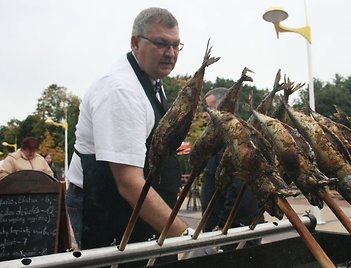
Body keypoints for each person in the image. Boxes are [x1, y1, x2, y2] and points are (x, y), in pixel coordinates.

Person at [66, 7, 190, 258]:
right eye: (161, 44)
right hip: (105, 204)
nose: (171, 53)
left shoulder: (152, 81)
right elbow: (128, 183)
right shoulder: (120, 89)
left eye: (176, 45)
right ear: (136, 42)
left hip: (130, 202)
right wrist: (185, 237)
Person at [200, 87, 264, 251]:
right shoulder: (218, 139)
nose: (203, 115)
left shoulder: (239, 140)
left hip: (234, 235)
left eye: (208, 109)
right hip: (222, 234)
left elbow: (241, 188)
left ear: (225, 107)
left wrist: (221, 226)